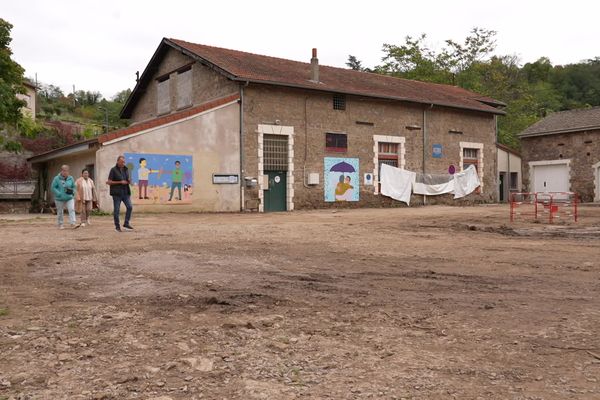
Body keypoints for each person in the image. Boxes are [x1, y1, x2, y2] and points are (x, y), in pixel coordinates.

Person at [106, 155, 133, 232]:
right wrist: (120, 182)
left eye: (124, 162)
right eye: (122, 162)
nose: (123, 163)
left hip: (126, 192)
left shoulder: (126, 169)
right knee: (117, 210)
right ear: (117, 161)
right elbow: (109, 182)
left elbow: (127, 179)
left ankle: (126, 224)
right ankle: (117, 227)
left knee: (130, 207)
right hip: (116, 194)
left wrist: (129, 181)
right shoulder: (113, 170)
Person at [51, 165, 78, 229]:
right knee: (60, 211)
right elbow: (53, 187)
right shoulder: (56, 178)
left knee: (71, 209)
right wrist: (59, 193)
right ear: (61, 171)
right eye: (64, 171)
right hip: (59, 198)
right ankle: (60, 224)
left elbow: (74, 187)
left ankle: (73, 223)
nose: (65, 172)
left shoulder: (71, 178)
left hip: (69, 197)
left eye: (67, 171)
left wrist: (73, 192)